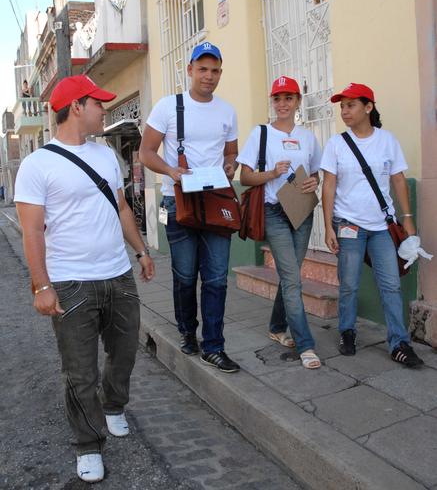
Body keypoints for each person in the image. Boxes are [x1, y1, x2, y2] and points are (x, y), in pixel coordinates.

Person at [15, 75, 155, 483]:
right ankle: (88, 444)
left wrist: (142, 251)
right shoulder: (37, 165)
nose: (104, 110)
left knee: (125, 353)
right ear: (77, 106)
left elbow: (122, 207)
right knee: (80, 371)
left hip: (118, 273)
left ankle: (113, 406)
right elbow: (32, 231)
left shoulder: (107, 154)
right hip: (71, 282)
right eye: (98, 103)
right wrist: (41, 286)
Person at [140, 42, 240, 373]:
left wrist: (230, 166)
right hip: (178, 199)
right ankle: (187, 331)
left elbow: (230, 153)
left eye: (214, 70)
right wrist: (171, 172)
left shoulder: (227, 111)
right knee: (185, 277)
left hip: (215, 201)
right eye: (202, 69)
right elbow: (146, 152)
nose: (208, 76)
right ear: (190, 70)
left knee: (216, 279)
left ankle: (214, 345)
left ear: (220, 73)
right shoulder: (169, 106)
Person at [321, 82, 423, 367]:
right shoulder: (336, 144)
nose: (345, 111)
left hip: (381, 227)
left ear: (368, 107)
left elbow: (398, 179)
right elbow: (329, 186)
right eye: (342, 106)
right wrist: (328, 226)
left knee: (391, 285)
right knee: (350, 285)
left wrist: (408, 219)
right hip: (348, 224)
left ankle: (399, 342)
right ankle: (347, 332)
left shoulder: (387, 140)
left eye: (351, 105)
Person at [237, 76, 322, 369]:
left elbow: (316, 174)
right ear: (271, 102)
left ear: (298, 101)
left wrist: (313, 182)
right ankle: (306, 344)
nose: (282, 104)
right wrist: (272, 173)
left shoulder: (309, 137)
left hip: (301, 210)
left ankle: (276, 326)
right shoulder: (260, 134)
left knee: (290, 276)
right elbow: (245, 177)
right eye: (277, 98)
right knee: (292, 278)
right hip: (273, 211)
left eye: (288, 98)